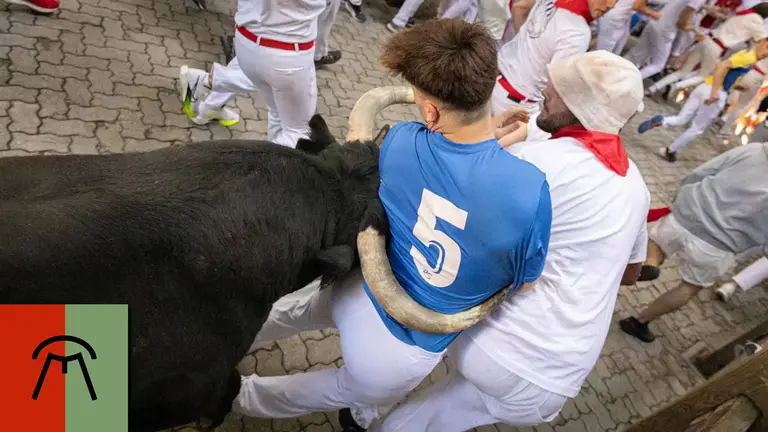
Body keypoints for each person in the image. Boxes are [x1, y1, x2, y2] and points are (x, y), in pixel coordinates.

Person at [230, 19, 552, 432]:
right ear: (490, 82)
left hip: (354, 285)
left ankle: (220, 350)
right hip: (401, 347)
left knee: (293, 315)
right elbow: (523, 282)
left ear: (431, 111)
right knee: (328, 390)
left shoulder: (401, 140)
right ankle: (235, 397)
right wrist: (498, 138)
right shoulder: (530, 191)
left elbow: (446, 164)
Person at [369, 50, 650, 432]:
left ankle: (362, 401)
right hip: (556, 380)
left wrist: (492, 140)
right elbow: (632, 273)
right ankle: (370, 412)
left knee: (405, 359)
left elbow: (457, 196)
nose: (545, 92)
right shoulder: (635, 185)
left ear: (581, 107)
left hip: (497, 341)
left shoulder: (533, 165)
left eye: (559, 90)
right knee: (424, 421)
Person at [620, 142, 768, 343]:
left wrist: (682, 196)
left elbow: (705, 170)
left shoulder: (755, 151)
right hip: (720, 245)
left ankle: (649, 264)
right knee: (689, 287)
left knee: (656, 245)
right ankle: (639, 321)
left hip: (688, 214)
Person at [176, 0, 342, 147]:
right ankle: (263, 170)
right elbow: (327, 9)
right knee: (300, 134)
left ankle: (206, 88)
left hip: (247, 40)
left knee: (277, 113)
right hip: (288, 51)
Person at [637, 39, 768, 162]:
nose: (766, 53)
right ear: (761, 41)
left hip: (705, 86)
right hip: (715, 93)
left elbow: (725, 71)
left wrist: (736, 86)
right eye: (767, 47)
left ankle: (662, 121)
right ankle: (670, 151)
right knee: (697, 128)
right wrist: (715, 92)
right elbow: (722, 66)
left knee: (682, 118)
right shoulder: (749, 58)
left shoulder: (746, 54)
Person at [492, 0, 618, 117]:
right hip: (514, 102)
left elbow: (520, 7)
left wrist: (530, 44)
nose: (611, 5)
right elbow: (558, 85)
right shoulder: (578, 32)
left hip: (491, 75)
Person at [646, 2, 768, 94]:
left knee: (683, 71)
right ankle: (676, 86)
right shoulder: (757, 21)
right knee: (704, 76)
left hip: (708, 39)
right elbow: (762, 40)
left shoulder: (744, 14)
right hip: (717, 47)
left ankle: (653, 88)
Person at [625, 0, 700, 80]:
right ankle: (629, 81)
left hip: (655, 22)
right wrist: (694, 29)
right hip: (665, 30)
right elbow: (682, 23)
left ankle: (619, 75)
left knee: (636, 55)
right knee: (658, 65)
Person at [596, 0, 661, 55]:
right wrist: (653, 14)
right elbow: (637, 6)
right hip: (615, 18)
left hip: (618, 15)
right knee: (603, 53)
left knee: (612, 50)